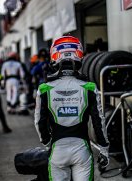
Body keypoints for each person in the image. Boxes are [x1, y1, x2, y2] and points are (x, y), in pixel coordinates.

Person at [34, 36, 109, 180]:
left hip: (57, 150)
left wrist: (47, 142)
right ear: (79, 55)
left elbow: (39, 122)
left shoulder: (44, 89)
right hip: (82, 151)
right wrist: (104, 148)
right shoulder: (89, 87)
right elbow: (99, 121)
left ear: (54, 56)